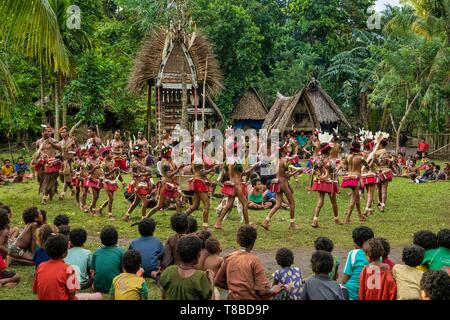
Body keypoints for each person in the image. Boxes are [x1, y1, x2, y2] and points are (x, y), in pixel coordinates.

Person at [215, 225, 283, 300]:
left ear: (237, 240)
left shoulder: (228, 258)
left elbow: (217, 281)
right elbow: (262, 291)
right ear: (253, 242)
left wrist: (235, 287)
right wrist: (273, 290)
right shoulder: (254, 260)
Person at [215, 143, 258, 230]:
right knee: (245, 203)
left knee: (229, 205)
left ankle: (218, 223)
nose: (242, 151)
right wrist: (254, 166)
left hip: (232, 184)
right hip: (237, 185)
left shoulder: (229, 160)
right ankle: (247, 225)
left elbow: (228, 172)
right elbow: (244, 173)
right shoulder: (236, 160)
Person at [261, 143, 302, 230]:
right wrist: (297, 171)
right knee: (292, 203)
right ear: (283, 150)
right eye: (287, 148)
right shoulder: (284, 161)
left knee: (278, 204)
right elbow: (287, 176)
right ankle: (292, 224)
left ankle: (266, 220)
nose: (288, 149)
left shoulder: (273, 160)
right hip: (283, 183)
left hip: (276, 183)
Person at [160, 235, 214, 300]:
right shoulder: (201, 277)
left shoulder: (169, 271)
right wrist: (211, 281)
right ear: (198, 255)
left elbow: (163, 295)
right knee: (216, 293)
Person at [33, 234, 79, 300]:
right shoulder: (69, 269)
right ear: (64, 253)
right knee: (95, 296)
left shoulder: (41, 266)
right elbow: (72, 296)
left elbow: (36, 290)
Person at [145, 146, 185, 219]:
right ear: (168, 154)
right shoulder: (165, 163)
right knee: (159, 206)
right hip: (165, 185)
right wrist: (179, 168)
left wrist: (180, 165)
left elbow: (175, 170)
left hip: (172, 185)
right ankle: (145, 217)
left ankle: (180, 220)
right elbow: (169, 175)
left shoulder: (172, 162)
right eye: (172, 152)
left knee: (178, 202)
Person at [310, 142, 341, 228]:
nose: (331, 151)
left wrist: (319, 176)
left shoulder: (317, 159)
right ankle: (336, 219)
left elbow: (313, 171)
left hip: (321, 182)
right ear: (328, 151)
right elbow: (335, 174)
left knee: (320, 201)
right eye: (330, 149)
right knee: (334, 202)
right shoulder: (331, 161)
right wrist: (338, 185)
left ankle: (315, 220)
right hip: (330, 183)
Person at [342, 226, 374, 300]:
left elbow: (345, 278)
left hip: (352, 293)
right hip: (369, 294)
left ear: (356, 242)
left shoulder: (353, 253)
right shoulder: (378, 255)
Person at [123, 145, 153, 221]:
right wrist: (137, 186)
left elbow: (146, 172)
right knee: (145, 201)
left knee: (136, 202)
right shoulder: (135, 162)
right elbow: (134, 175)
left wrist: (146, 173)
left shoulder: (142, 160)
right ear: (139, 154)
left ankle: (126, 215)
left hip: (143, 183)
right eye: (143, 151)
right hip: (138, 184)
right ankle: (144, 219)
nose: (145, 152)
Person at [184, 159, 216, 230]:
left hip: (197, 181)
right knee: (207, 204)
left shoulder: (195, 160)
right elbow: (202, 172)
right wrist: (211, 170)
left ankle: (181, 218)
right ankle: (205, 226)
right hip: (199, 183)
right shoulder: (198, 160)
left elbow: (198, 171)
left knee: (195, 205)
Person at [91, 226, 125, 293]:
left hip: (98, 287)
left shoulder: (97, 252)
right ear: (116, 239)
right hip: (115, 287)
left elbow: (92, 272)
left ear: (101, 239)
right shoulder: (121, 251)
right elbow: (124, 270)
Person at [36, 126, 63, 204]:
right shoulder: (39, 141)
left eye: (50, 131)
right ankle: (49, 192)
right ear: (42, 132)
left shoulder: (53, 141)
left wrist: (51, 143)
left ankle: (44, 197)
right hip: (42, 162)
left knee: (48, 180)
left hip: (51, 162)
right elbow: (37, 151)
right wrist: (37, 159)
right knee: (42, 179)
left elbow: (60, 148)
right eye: (47, 131)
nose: (48, 133)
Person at [342, 141, 366, 224]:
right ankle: (347, 218)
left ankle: (360, 215)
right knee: (353, 198)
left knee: (357, 198)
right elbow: (367, 166)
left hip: (348, 177)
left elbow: (344, 167)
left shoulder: (347, 156)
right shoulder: (361, 158)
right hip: (356, 178)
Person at [98, 147, 119, 220]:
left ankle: (100, 208)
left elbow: (114, 171)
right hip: (106, 181)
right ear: (106, 155)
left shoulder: (112, 161)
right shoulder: (103, 164)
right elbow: (105, 174)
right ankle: (110, 215)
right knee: (111, 198)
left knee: (110, 199)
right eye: (111, 153)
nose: (112, 154)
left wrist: (116, 171)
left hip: (113, 181)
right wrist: (113, 170)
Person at [373, 139, 394, 212]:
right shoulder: (388, 153)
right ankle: (382, 205)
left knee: (378, 189)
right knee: (384, 190)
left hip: (379, 172)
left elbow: (376, 163)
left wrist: (374, 158)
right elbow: (390, 163)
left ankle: (379, 202)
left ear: (380, 145)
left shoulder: (376, 153)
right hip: (386, 171)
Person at [58, 126, 77, 199]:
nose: (62, 133)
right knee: (66, 178)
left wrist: (72, 154)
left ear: (67, 133)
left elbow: (76, 150)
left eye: (64, 132)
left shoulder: (72, 141)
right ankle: (73, 190)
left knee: (67, 177)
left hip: (71, 161)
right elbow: (59, 153)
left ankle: (62, 193)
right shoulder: (60, 143)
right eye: (61, 132)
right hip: (63, 162)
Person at [85, 146, 104, 215]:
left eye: (98, 152)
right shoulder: (89, 161)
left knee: (97, 196)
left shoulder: (99, 160)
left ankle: (90, 207)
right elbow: (88, 172)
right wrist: (95, 168)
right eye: (97, 152)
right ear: (92, 154)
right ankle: (93, 211)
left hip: (99, 180)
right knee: (95, 196)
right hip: (92, 180)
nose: (98, 154)